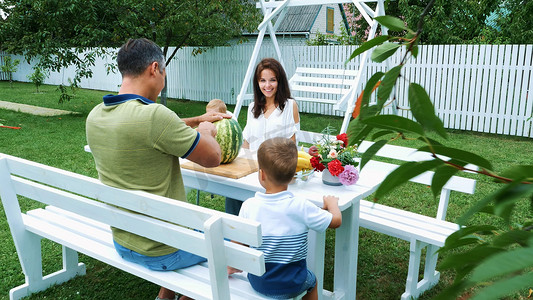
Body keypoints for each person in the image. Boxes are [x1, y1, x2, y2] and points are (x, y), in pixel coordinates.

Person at [86, 38, 230, 300]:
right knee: (237, 245)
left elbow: (158, 127)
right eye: (164, 73)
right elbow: (213, 157)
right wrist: (205, 130)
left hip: (124, 241)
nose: (164, 80)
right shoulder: (155, 116)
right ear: (155, 69)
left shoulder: (96, 114)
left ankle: (166, 294)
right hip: (163, 249)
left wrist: (197, 119)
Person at [228, 137, 342, 300]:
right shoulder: (302, 206)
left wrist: (232, 265)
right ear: (292, 176)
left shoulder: (249, 206)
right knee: (313, 282)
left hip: (259, 283)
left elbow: (238, 244)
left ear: (262, 174)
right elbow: (336, 221)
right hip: (293, 285)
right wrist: (332, 205)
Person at [226, 57, 300, 215]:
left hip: (276, 172)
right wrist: (241, 167)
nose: (267, 85)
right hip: (253, 169)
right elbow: (246, 142)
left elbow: (292, 147)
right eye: (263, 80)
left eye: (272, 80)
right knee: (233, 191)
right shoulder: (253, 107)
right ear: (257, 83)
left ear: (279, 82)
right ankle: (234, 234)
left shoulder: (289, 106)